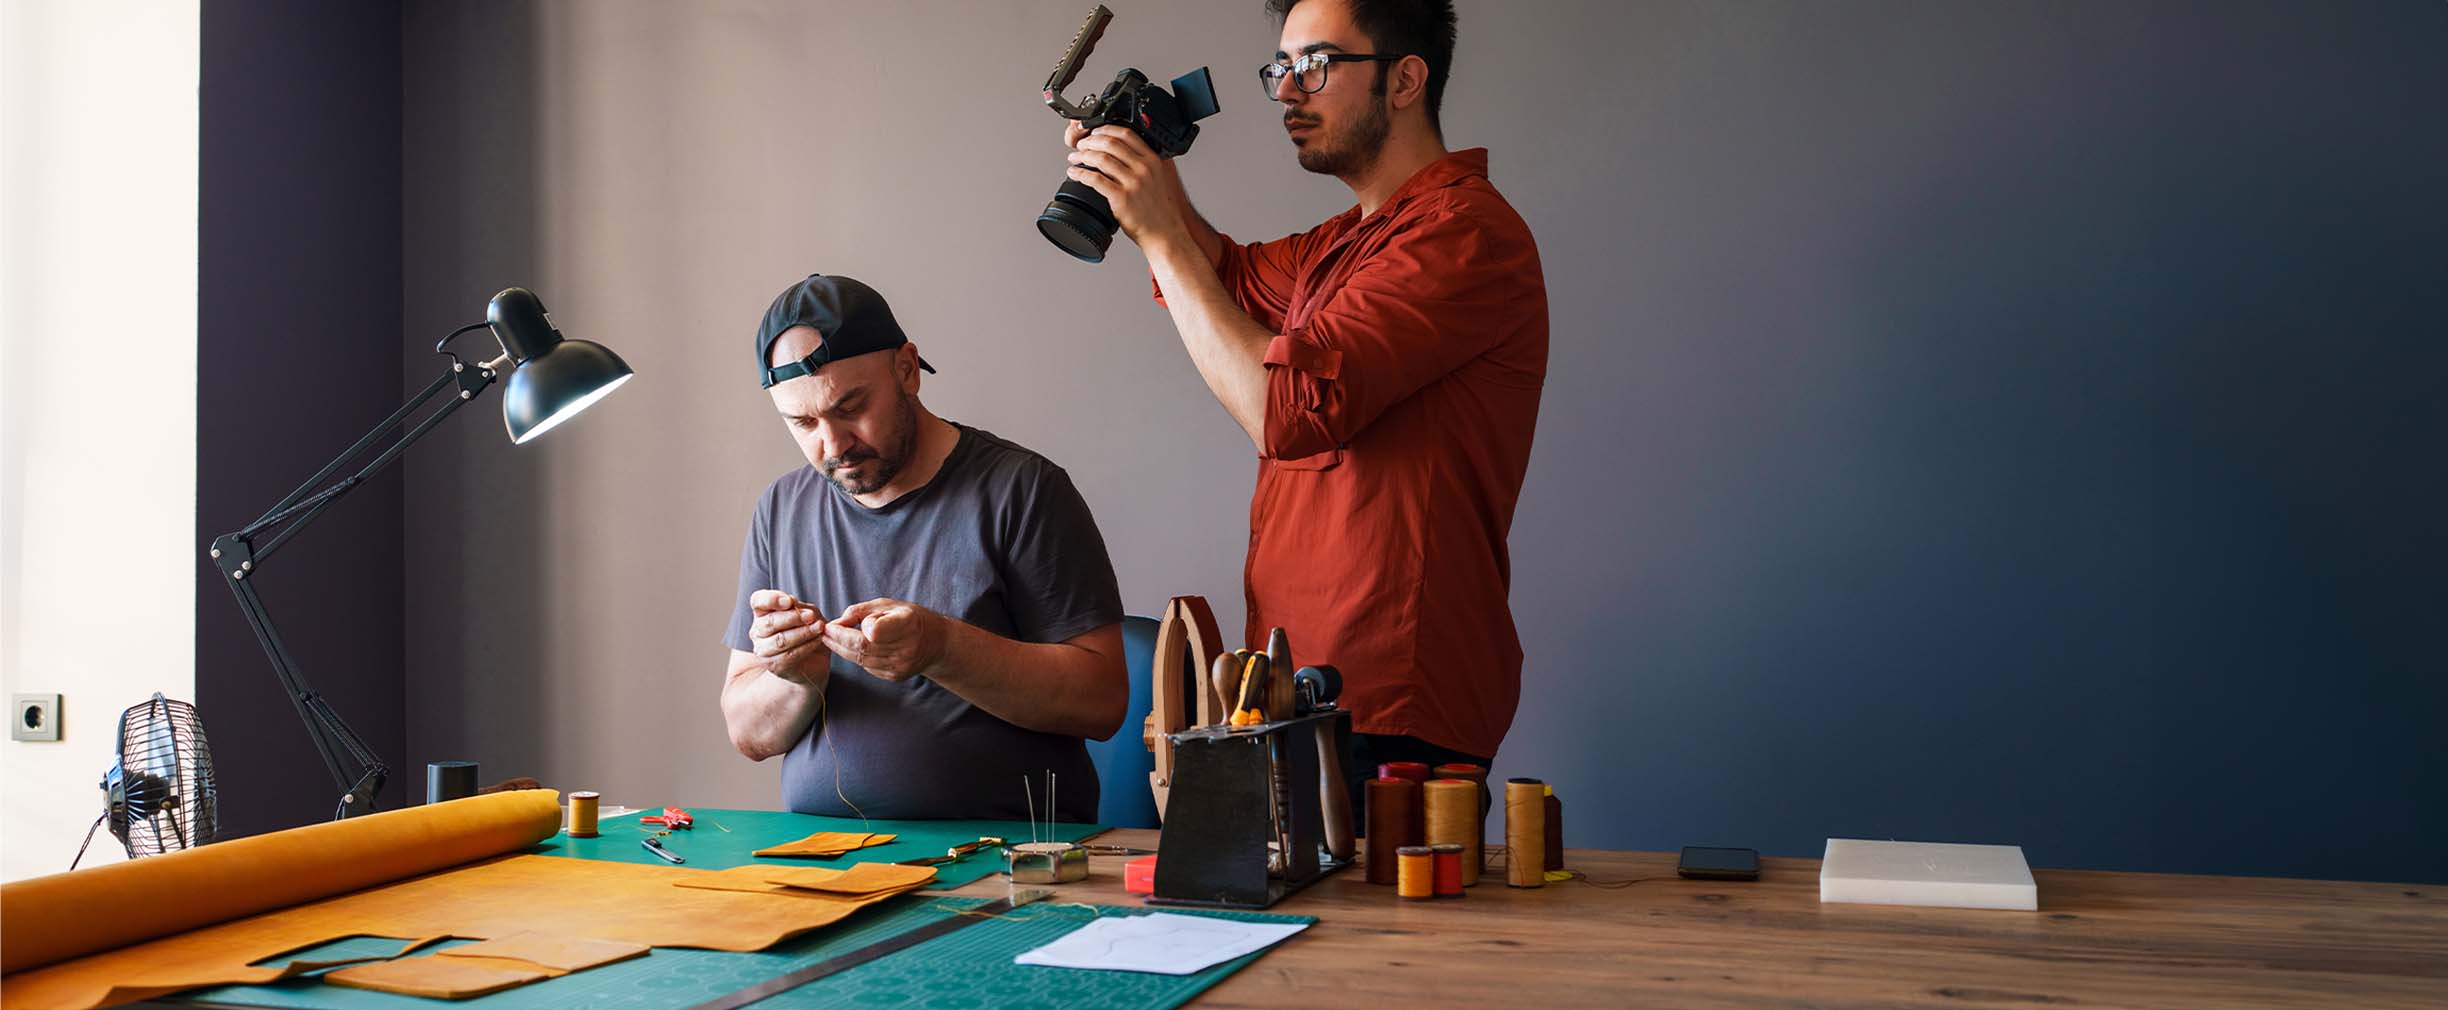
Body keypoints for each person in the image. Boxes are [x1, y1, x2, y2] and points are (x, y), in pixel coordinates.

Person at [1059, 0, 1547, 803]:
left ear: (1405, 80)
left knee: (1375, 935)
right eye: (1280, 67)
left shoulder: (1463, 235)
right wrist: (1141, 174)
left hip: (1388, 703)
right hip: (1301, 690)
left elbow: (1282, 412)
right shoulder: (1345, 242)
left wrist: (1157, 234)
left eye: (1316, 64)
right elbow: (1224, 279)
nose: (1288, 90)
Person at [718, 273, 1126, 822]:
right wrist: (797, 677)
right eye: (804, 422)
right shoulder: (781, 508)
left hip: (1006, 862)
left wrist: (940, 649)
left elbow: (1101, 702)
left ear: (907, 370)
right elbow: (747, 733)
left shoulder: (1023, 490)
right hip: (823, 861)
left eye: (851, 406)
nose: (833, 444)